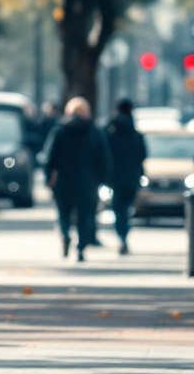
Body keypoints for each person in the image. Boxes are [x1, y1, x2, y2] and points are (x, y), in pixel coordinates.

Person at [42, 97, 110, 262]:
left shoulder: (59, 131)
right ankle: (80, 248)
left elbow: (49, 157)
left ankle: (65, 235)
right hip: (88, 183)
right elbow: (104, 158)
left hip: (63, 181)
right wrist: (103, 179)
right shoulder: (94, 131)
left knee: (63, 214)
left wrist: (48, 177)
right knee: (85, 217)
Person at [105, 98, 147, 255]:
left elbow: (104, 153)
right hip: (132, 177)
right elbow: (143, 154)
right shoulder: (135, 133)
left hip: (115, 177)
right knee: (127, 208)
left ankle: (121, 236)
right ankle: (124, 235)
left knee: (118, 209)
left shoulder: (110, 130)